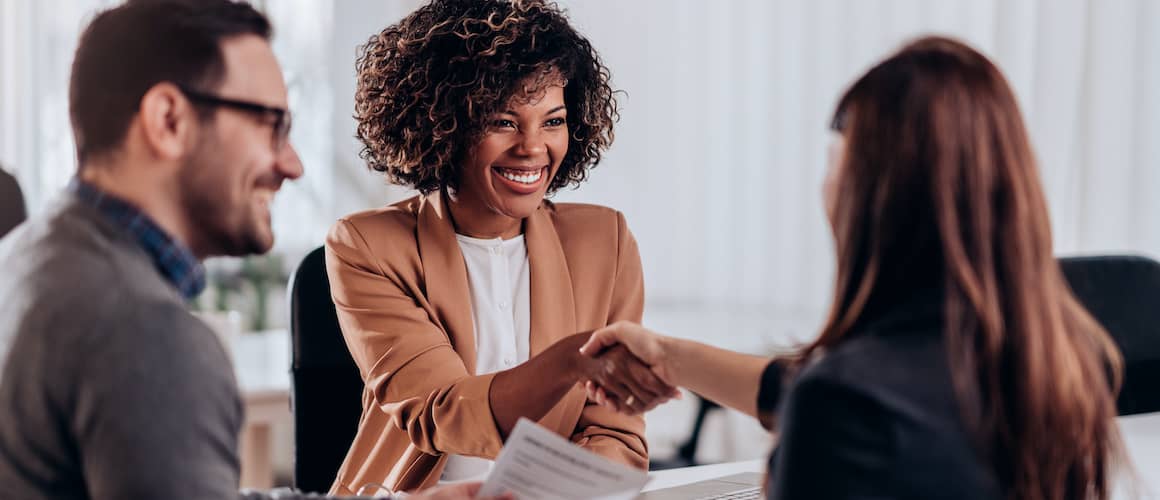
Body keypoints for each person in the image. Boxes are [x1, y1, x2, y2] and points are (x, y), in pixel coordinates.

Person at [582, 36, 1126, 500]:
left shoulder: (844, 402)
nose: (825, 185)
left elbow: (835, 400)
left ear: (874, 199)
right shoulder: (1055, 365)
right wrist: (669, 356)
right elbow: (812, 389)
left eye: (836, 162)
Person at [0, 1, 503, 499]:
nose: (293, 164)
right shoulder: (145, 335)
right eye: (271, 125)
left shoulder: (28, 255)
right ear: (168, 120)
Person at [325, 0, 676, 494]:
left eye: (553, 121)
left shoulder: (606, 242)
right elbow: (442, 412)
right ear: (444, 124)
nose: (533, 148)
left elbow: (613, 430)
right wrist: (573, 359)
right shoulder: (367, 246)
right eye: (503, 122)